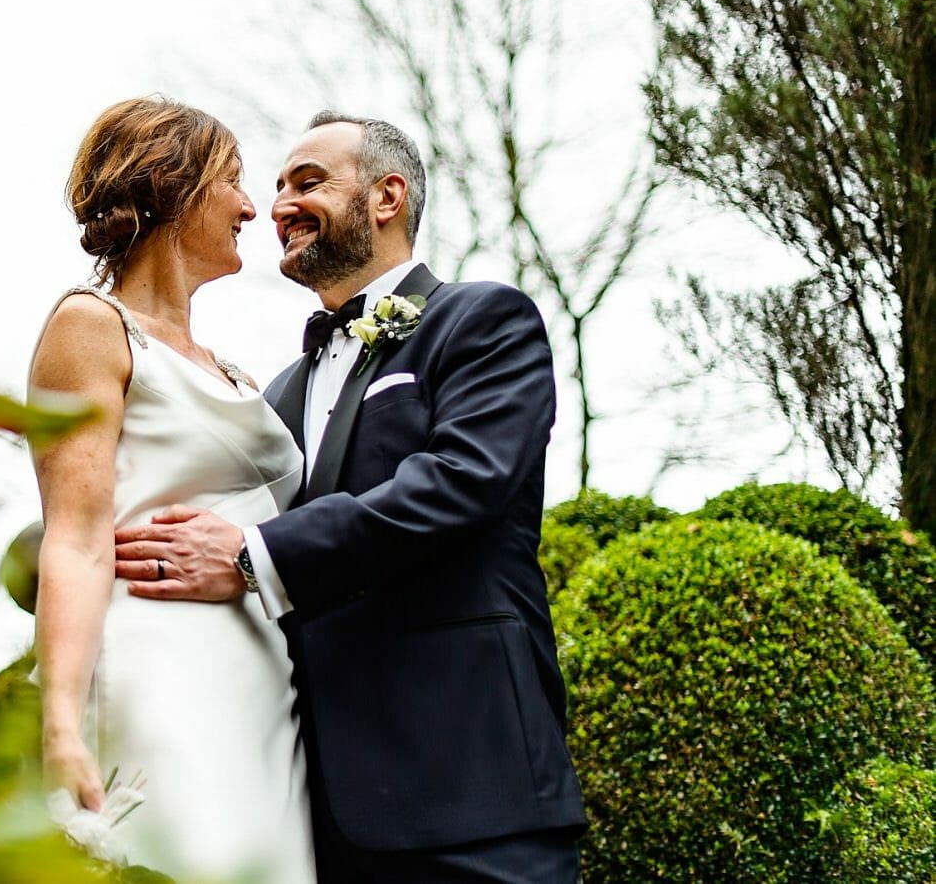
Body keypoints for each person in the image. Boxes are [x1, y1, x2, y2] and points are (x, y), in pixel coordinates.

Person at [112, 113, 586, 883]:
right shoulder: (279, 393)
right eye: (274, 188)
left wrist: (251, 555)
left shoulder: (484, 322)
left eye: (307, 182)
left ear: (386, 196)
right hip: (325, 815)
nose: (278, 207)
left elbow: (460, 481)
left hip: (475, 786)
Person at [31, 96, 315, 884]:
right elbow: (77, 537)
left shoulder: (240, 376)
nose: (253, 207)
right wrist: (60, 721)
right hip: (161, 677)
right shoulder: (90, 327)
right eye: (233, 180)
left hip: (264, 694)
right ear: (174, 186)